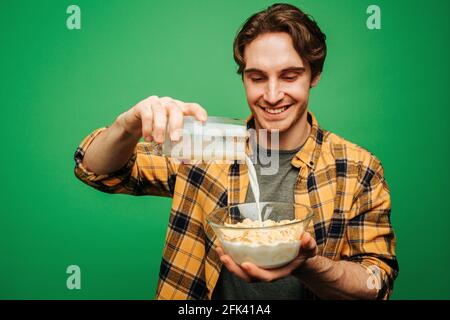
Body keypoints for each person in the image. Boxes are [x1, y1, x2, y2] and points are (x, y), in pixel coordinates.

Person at [74, 3, 398, 300]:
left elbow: (376, 280)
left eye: (289, 75)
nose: (272, 95)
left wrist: (306, 265)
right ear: (244, 77)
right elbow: (97, 170)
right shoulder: (205, 148)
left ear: (314, 75)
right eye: (257, 77)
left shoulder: (356, 167)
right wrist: (128, 126)